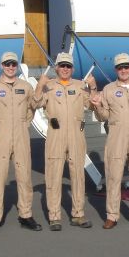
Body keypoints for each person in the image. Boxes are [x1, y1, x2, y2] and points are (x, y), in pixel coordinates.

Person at [34, 52, 97, 231]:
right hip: (56, 135)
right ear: (56, 68)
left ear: (73, 68)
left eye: (68, 66)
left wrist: (93, 87)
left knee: (78, 175)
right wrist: (39, 86)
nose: (65, 69)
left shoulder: (79, 85)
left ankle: (78, 214)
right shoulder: (48, 86)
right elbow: (35, 103)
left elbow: (92, 104)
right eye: (61, 65)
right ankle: (54, 216)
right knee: (53, 175)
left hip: (76, 135)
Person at [90, 53, 129, 229]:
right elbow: (103, 117)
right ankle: (112, 215)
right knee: (113, 176)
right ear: (116, 70)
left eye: (126, 66)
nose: (123, 70)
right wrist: (98, 105)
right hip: (116, 137)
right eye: (120, 67)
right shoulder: (109, 89)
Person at [0, 52, 42, 233]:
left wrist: (41, 86)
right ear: (1, 65)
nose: (10, 67)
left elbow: (33, 106)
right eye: (7, 64)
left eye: (13, 64)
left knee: (24, 177)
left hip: (21, 136)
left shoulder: (25, 87)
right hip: (0, 136)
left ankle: (25, 214)